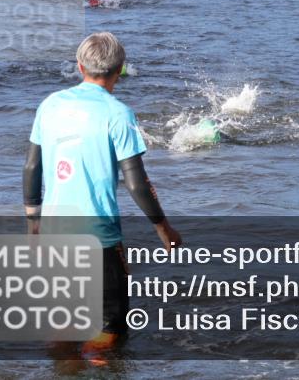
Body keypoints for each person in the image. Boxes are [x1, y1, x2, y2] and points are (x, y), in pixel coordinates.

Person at [23, 32, 182, 352]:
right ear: (120, 70)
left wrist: (33, 225)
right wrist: (163, 228)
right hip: (98, 238)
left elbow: (31, 169)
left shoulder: (50, 104)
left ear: (80, 66)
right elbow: (136, 183)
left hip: (55, 232)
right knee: (109, 329)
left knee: (63, 328)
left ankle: (65, 371)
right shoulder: (119, 114)